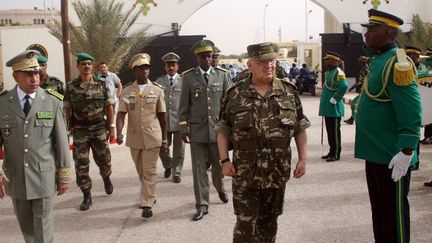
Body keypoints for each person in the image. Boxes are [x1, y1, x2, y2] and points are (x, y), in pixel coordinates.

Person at [216, 42, 310, 243]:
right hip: (245, 175)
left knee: (269, 225)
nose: (268, 66)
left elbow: (300, 128)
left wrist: (303, 159)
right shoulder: (235, 94)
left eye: (271, 61)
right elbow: (223, 130)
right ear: (250, 65)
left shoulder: (289, 92)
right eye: (262, 62)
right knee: (245, 227)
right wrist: (224, 161)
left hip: (276, 174)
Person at [356, 9, 421, 242]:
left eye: (371, 29)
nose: (366, 34)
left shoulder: (397, 63)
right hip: (375, 152)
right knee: (380, 213)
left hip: (392, 154)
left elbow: (411, 111)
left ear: (386, 31)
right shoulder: (379, 59)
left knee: (394, 217)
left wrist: (407, 150)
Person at [0, 50, 72, 243]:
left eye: (37, 73)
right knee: (28, 230)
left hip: (44, 175)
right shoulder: (3, 103)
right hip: (16, 177)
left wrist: (64, 175)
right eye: (28, 74)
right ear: (16, 76)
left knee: (43, 230)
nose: (35, 78)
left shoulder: (51, 101)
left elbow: (61, 142)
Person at [178, 39, 232, 221]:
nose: (207, 60)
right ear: (197, 58)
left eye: (209, 56)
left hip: (218, 132)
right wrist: (183, 128)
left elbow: (229, 104)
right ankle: (202, 204)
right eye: (203, 57)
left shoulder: (222, 76)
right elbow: (183, 106)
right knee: (199, 169)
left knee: (218, 166)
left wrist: (230, 128)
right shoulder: (188, 77)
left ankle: (220, 188)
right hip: (197, 131)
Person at [116, 53, 168, 218]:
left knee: (149, 172)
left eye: (146, 68)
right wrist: (118, 132)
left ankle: (146, 204)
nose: (145, 71)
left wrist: (165, 138)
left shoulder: (157, 90)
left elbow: (162, 116)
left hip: (153, 136)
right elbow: (121, 114)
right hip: (134, 137)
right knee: (141, 172)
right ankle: (151, 195)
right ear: (135, 70)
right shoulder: (127, 91)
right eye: (141, 68)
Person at [64, 53, 115, 211]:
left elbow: (109, 106)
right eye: (83, 64)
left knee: (103, 159)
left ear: (92, 66)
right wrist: (66, 129)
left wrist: (111, 126)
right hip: (80, 130)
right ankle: (87, 194)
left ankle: (106, 177)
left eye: (89, 64)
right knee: (81, 164)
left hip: (99, 128)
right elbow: (67, 108)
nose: (86, 66)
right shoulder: (71, 86)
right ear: (78, 66)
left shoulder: (101, 84)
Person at [155, 52, 185, 183]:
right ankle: (168, 165)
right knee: (161, 148)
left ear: (177, 66)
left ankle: (176, 172)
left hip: (179, 120)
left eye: (173, 65)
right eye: (168, 65)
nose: (171, 68)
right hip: (163, 122)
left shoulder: (184, 80)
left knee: (180, 149)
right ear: (165, 67)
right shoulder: (159, 81)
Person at [319, 51, 348, 162]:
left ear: (335, 60)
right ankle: (331, 151)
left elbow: (344, 86)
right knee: (330, 132)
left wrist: (336, 98)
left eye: (328, 59)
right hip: (328, 108)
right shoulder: (330, 72)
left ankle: (336, 154)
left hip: (334, 108)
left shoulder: (338, 72)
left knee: (334, 132)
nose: (326, 61)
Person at [344, 56, 370, 125]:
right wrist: (353, 87)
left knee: (355, 104)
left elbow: (365, 81)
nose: (358, 63)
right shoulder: (363, 69)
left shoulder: (366, 70)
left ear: (362, 62)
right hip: (363, 90)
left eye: (360, 62)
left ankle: (354, 119)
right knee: (356, 105)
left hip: (366, 90)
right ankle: (352, 119)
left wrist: (353, 87)